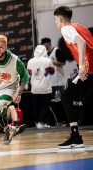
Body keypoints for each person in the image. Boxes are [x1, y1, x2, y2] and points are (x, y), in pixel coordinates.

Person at [54, 6, 93, 148]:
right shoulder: (82, 27)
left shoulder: (66, 29)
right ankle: (75, 137)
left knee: (65, 96)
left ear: (60, 18)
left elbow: (81, 43)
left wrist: (81, 67)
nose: (56, 23)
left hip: (89, 70)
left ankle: (76, 137)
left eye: (55, 19)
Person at [27, 45, 55, 129]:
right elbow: (52, 72)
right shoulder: (48, 60)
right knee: (45, 105)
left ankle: (37, 122)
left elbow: (29, 74)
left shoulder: (30, 61)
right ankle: (41, 122)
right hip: (45, 87)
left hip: (34, 87)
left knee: (36, 106)